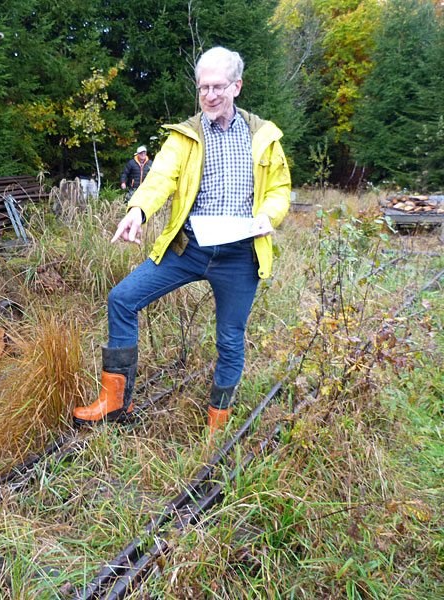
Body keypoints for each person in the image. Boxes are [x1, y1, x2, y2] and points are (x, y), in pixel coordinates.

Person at [73, 46, 291, 434]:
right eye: (203, 87)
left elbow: (279, 189)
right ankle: (116, 400)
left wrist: (267, 216)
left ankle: (217, 423)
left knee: (229, 339)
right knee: (122, 299)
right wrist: (137, 212)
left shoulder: (264, 137)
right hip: (187, 249)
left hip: (241, 257)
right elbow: (160, 179)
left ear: (237, 87)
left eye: (218, 87)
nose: (209, 95)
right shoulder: (185, 137)